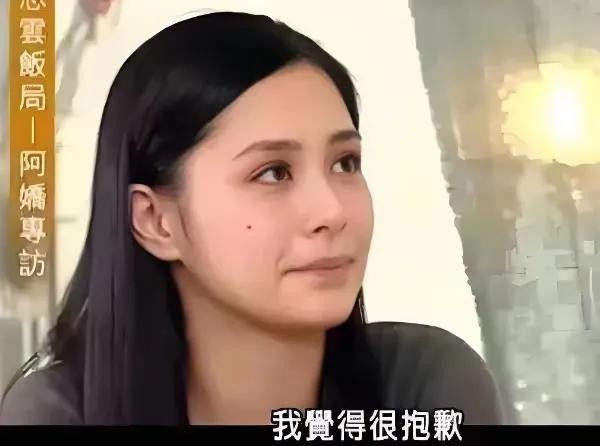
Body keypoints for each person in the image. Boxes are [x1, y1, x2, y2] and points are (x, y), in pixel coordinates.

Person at [0, 11, 504, 426]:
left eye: (345, 163)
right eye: (273, 173)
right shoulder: (63, 413)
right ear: (156, 221)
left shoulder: (422, 387)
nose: (332, 211)